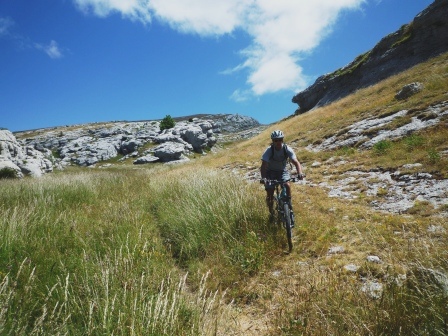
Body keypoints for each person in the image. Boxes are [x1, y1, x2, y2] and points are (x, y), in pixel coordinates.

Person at [260, 130, 304, 219]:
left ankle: (289, 206)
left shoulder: (287, 149)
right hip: (270, 172)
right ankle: (271, 212)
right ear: (273, 141)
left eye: (280, 140)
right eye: (276, 140)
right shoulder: (269, 150)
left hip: (282, 171)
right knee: (270, 193)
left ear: (282, 140)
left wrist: (300, 173)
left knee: (287, 185)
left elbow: (296, 162)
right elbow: (263, 165)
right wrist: (264, 178)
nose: (278, 142)